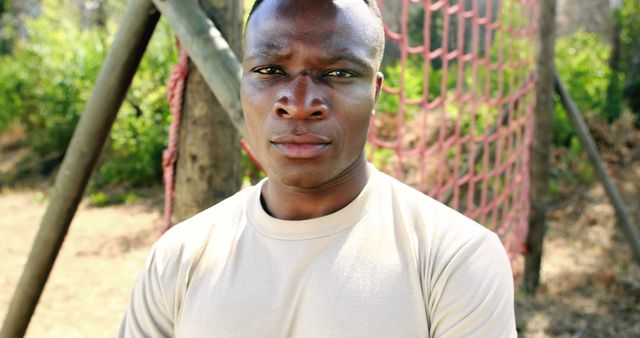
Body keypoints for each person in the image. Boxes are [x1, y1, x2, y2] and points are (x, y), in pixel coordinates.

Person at [119, 0, 517, 337]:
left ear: (375, 93)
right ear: (243, 81)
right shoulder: (180, 255)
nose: (299, 102)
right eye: (270, 71)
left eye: (338, 74)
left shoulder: (455, 258)